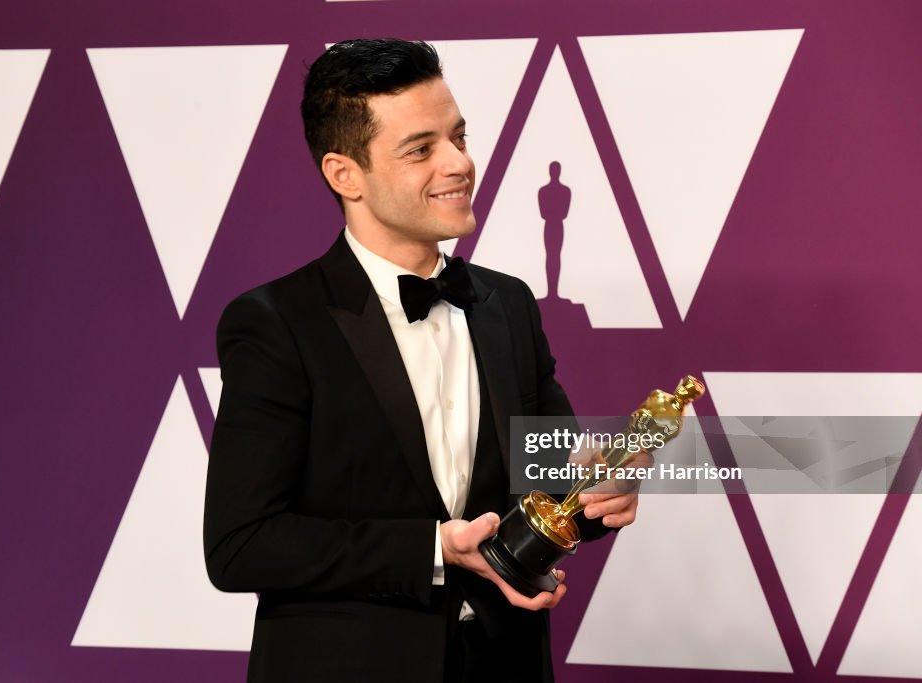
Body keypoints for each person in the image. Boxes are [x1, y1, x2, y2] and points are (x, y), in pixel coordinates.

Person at [203, 38, 640, 683]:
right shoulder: (276, 324)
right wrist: (433, 550)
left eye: (459, 137)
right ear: (344, 173)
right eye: (421, 149)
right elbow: (241, 546)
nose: (459, 163)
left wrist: (595, 494)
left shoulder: (508, 304)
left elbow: (548, 480)